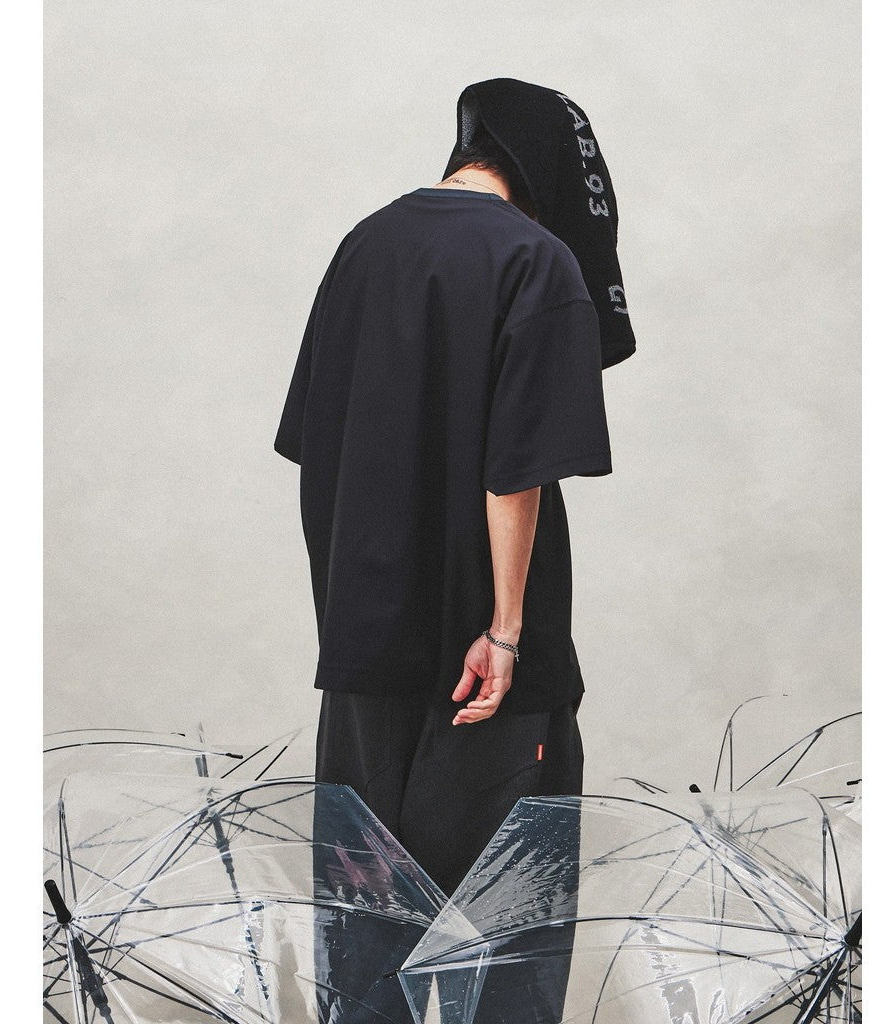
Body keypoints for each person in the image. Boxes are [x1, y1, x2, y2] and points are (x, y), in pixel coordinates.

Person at [275, 78, 636, 901]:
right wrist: (505, 631)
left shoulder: (364, 244)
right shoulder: (535, 258)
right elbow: (519, 467)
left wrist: (352, 609)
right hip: (485, 665)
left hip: (364, 650)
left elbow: (316, 442)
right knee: (502, 925)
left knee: (366, 924)